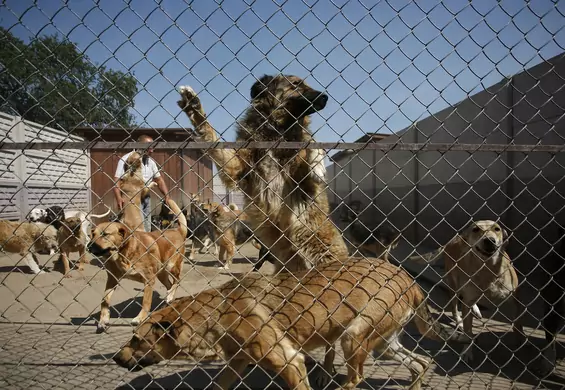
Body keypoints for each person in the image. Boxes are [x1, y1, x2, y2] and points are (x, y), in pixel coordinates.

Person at [113, 134, 170, 232]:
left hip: (146, 197)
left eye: (153, 147)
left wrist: (167, 196)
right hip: (132, 198)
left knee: (147, 225)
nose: (152, 150)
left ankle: (145, 245)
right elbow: (117, 181)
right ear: (140, 145)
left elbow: (159, 180)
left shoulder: (151, 162)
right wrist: (118, 197)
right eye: (149, 147)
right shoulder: (126, 159)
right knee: (136, 227)